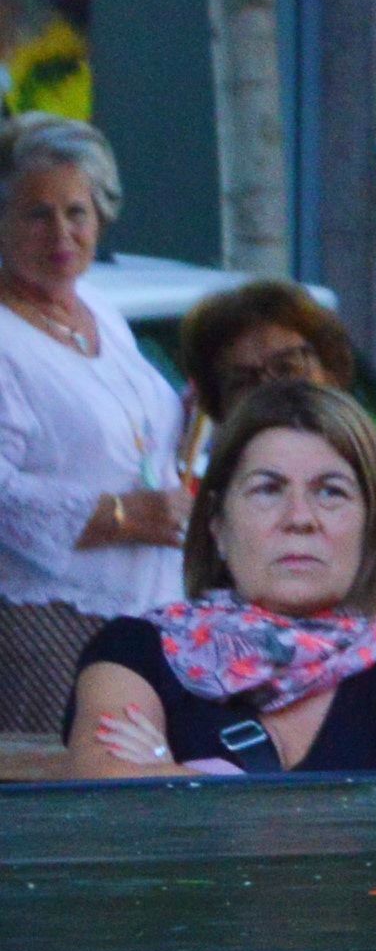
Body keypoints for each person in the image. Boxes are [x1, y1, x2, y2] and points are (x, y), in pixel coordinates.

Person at [66, 382, 376, 776]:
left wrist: (174, 775)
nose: (300, 518)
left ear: (372, 528)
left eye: (331, 491)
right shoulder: (135, 651)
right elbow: (115, 810)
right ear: (218, 525)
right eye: (268, 489)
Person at [171, 279, 376, 641]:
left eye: (287, 366)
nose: (270, 389)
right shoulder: (224, 502)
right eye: (243, 381)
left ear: (331, 368)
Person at [0, 115, 184, 626]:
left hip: (150, 610)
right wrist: (124, 516)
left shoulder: (101, 310)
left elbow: (129, 440)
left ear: (100, 216)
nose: (61, 233)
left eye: (75, 212)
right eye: (37, 215)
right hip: (50, 624)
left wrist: (189, 417)